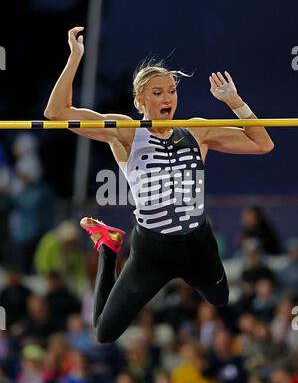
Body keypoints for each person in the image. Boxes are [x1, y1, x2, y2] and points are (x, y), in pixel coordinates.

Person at [44, 27, 274, 343]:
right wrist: (75, 58)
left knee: (220, 299)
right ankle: (108, 249)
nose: (167, 98)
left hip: (197, 243)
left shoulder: (197, 132)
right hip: (152, 250)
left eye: (171, 91)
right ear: (140, 99)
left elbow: (263, 144)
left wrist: (234, 101)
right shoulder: (126, 132)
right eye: (157, 92)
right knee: (104, 333)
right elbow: (56, 113)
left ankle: (114, 248)